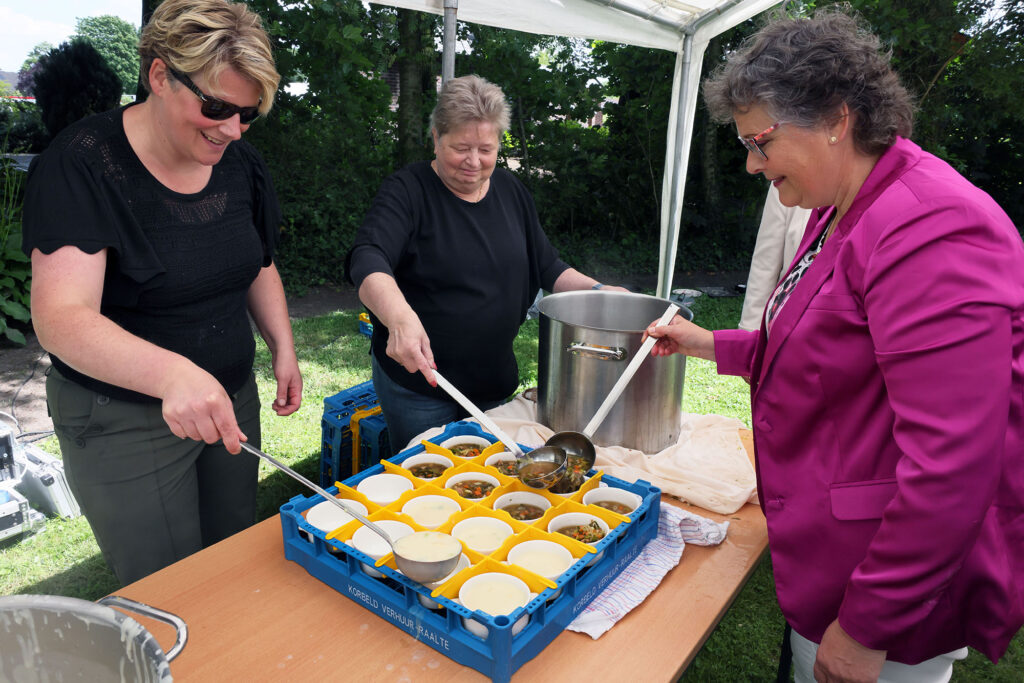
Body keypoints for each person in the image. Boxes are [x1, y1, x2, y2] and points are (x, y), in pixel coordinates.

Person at [646, 9, 1023, 683]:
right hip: (836, 556)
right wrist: (705, 342)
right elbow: (814, 350)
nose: (752, 163)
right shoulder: (842, 207)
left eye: (761, 141)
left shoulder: (933, 227)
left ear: (836, 118)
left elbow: (953, 466)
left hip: (889, 595)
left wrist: (868, 625)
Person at [22, 0, 302, 585]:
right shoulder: (83, 163)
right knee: (170, 588)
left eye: (247, 114)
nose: (231, 128)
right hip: (123, 417)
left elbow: (258, 264)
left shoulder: (240, 164)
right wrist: (172, 375)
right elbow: (61, 318)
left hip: (228, 398)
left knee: (229, 563)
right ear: (158, 75)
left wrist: (282, 345)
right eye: (216, 106)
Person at [346, 75, 624, 449]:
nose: (473, 162)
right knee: (430, 489)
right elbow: (368, 257)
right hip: (422, 387)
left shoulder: (511, 192)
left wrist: (602, 293)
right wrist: (399, 318)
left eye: (486, 149)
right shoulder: (408, 191)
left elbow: (549, 267)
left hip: (493, 384)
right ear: (435, 137)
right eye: (461, 147)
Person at [738, 184, 811, 331]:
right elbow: (764, 266)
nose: (752, 167)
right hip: (784, 332)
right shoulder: (787, 178)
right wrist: (749, 332)